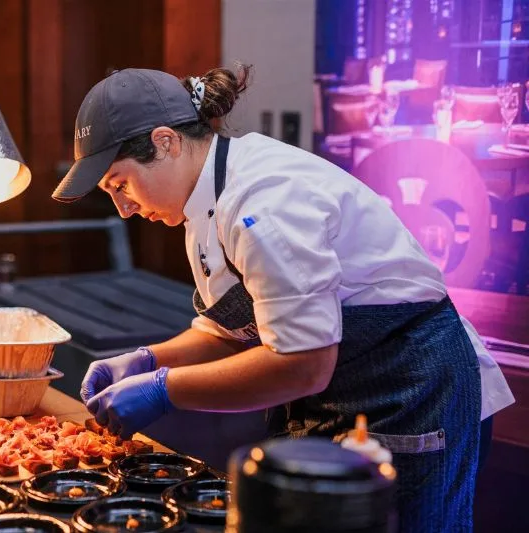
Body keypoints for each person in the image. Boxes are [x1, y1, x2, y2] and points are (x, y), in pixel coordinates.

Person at [51, 65, 514, 532]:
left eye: (120, 184)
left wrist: (164, 389)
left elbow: (303, 364)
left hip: (409, 390)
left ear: (165, 141)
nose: (123, 208)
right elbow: (238, 331)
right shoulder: (203, 202)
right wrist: (148, 359)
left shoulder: (263, 202)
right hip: (342, 394)